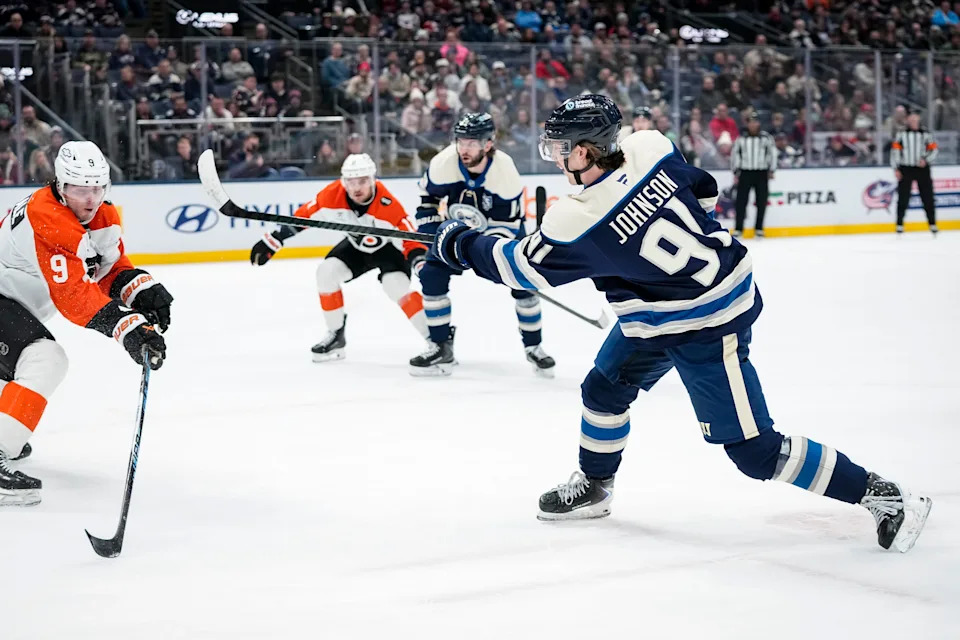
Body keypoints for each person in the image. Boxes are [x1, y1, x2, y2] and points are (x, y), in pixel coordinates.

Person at [426, 94, 932, 552]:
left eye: (560, 148)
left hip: (708, 322)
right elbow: (703, 187)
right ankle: (596, 486)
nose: (555, 158)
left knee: (754, 451)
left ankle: (882, 495)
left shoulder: (577, 216)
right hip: (661, 312)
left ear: (585, 151)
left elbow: (520, 266)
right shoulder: (649, 144)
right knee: (603, 390)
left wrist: (457, 243)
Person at [0, 141, 171, 506]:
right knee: (44, 360)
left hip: (12, 303)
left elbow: (105, 271)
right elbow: (75, 298)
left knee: (24, 365)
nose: (91, 199)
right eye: (80, 189)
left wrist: (141, 290)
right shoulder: (48, 218)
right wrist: (128, 329)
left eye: (98, 187)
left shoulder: (102, 216)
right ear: (61, 187)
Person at [410, 112, 556, 378]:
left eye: (472, 142)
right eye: (461, 141)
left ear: (488, 143)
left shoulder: (504, 171)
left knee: (525, 283)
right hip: (455, 234)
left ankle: (534, 346)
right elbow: (426, 200)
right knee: (431, 275)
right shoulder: (444, 162)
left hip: (496, 234)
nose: (464, 148)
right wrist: (432, 235)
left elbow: (508, 227)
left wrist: (476, 250)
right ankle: (440, 345)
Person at [249, 154, 429, 361]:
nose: (356, 188)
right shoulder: (332, 195)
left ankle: (437, 339)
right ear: (344, 181)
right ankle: (335, 335)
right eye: (351, 182)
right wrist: (274, 240)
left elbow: (410, 238)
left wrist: (419, 261)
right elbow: (304, 217)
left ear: (372, 180)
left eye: (362, 181)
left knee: (395, 286)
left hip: (389, 252)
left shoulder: (388, 206)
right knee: (326, 273)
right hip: (356, 248)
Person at [730, 113, 777, 237]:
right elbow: (735, 155)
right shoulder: (741, 138)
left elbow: (772, 154)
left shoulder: (766, 138)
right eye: (750, 122)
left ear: (759, 123)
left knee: (761, 201)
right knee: (741, 201)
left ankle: (759, 228)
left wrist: (771, 170)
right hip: (745, 173)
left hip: (761, 173)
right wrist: (735, 172)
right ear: (747, 124)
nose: (753, 124)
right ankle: (739, 228)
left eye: (755, 122)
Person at [891, 113, 938, 235]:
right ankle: (899, 224)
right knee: (903, 197)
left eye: (915, 119)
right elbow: (895, 151)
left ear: (918, 119)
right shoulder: (901, 134)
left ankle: (932, 223)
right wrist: (896, 168)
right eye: (910, 119)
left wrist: (926, 160)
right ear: (907, 120)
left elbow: (934, 149)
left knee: (927, 196)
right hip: (906, 168)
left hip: (922, 169)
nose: (913, 121)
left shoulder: (926, 133)